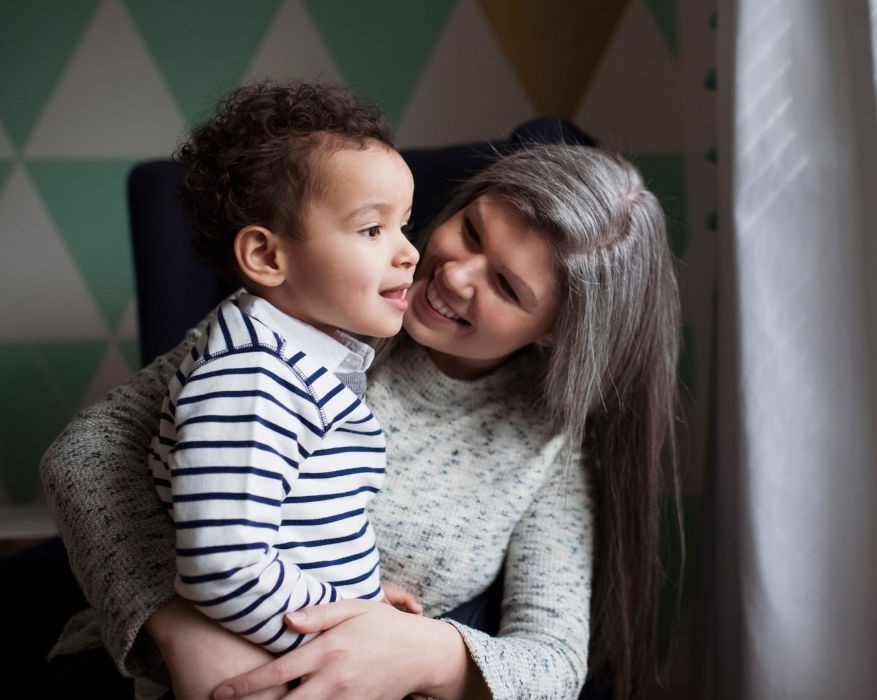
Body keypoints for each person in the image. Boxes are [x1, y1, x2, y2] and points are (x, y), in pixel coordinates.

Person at [40, 130, 682, 700]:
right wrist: (179, 623)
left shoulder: (546, 444)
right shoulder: (310, 313)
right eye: (471, 230)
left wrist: (426, 653)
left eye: (508, 287)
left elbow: (555, 662)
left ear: (556, 331)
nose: (455, 274)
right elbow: (85, 453)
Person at [144, 78, 420, 687]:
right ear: (268, 258)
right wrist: (353, 631)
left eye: (405, 224)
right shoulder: (254, 379)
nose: (408, 253)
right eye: (372, 230)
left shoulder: (302, 360)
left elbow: (297, 533)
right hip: (272, 673)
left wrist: (366, 598)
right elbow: (224, 566)